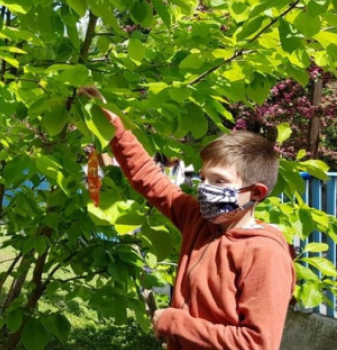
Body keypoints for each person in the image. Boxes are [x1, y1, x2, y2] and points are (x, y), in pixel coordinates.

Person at [78, 86, 296, 350]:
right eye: (204, 179)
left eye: (219, 181)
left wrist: (174, 322)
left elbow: (256, 344)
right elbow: (148, 177)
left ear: (256, 192)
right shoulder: (197, 219)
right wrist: (110, 118)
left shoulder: (265, 253)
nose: (205, 189)